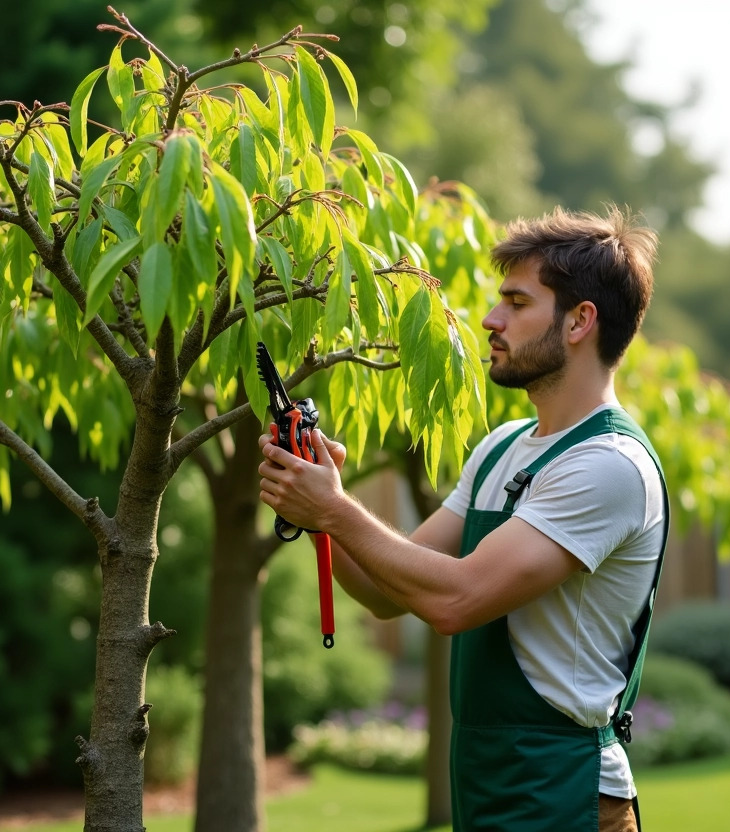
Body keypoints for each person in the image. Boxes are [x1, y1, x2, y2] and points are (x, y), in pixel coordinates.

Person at [259, 206, 669, 832]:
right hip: (486, 783)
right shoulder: (502, 448)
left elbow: (458, 601)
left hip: (567, 793)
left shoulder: (607, 467)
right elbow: (383, 592)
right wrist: (320, 508)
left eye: (516, 302)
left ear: (580, 320)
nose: (490, 319)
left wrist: (335, 509)